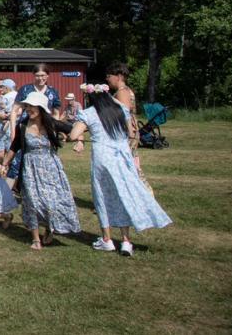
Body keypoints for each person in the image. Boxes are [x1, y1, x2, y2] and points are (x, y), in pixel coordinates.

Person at [68, 85, 171, 256]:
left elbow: (73, 134)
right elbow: (130, 133)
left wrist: (80, 134)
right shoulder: (120, 110)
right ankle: (126, 241)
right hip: (122, 156)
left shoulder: (90, 113)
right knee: (123, 195)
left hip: (102, 157)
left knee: (102, 195)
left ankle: (107, 239)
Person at [0, 91, 80, 250]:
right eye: (27, 106)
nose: (28, 109)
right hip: (30, 168)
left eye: (32, 106)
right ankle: (35, 238)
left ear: (41, 108)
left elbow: (75, 128)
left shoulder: (51, 123)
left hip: (50, 167)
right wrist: (4, 164)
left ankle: (49, 229)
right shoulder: (22, 125)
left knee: (51, 201)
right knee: (32, 202)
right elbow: (14, 147)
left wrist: (79, 140)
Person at [105, 62, 151, 192]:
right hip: (129, 133)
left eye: (109, 76)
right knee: (130, 165)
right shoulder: (126, 91)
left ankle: (145, 194)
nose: (107, 79)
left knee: (130, 166)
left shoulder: (122, 92)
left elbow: (124, 113)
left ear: (118, 76)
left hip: (126, 134)